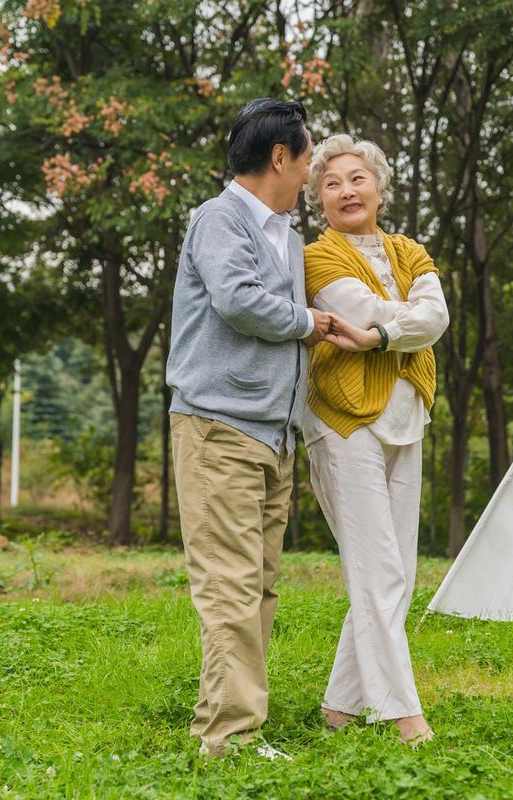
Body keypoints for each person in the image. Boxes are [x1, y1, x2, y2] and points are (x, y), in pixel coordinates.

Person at [165, 98, 334, 760]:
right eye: (309, 157)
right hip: (218, 426)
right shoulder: (220, 218)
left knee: (258, 585)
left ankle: (229, 721)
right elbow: (237, 301)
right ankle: (229, 738)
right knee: (230, 585)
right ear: (280, 157)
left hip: (273, 434)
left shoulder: (287, 237)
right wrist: (307, 322)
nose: (313, 172)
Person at [301, 133, 449, 747]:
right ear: (318, 201)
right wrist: (399, 321)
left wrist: (388, 333)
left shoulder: (410, 249)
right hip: (343, 419)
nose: (346, 191)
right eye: (331, 183)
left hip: (405, 414)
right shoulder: (317, 258)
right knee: (378, 570)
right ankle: (400, 713)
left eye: (356, 178)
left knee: (400, 572)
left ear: (380, 187)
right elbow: (360, 312)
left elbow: (435, 317)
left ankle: (340, 706)